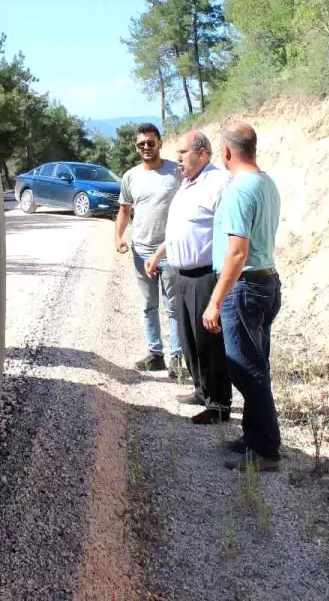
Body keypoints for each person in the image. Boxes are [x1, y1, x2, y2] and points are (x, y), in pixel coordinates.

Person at [203, 122, 283, 471]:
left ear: (226, 152)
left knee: (246, 370)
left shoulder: (239, 189)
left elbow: (237, 252)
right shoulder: (267, 182)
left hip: (245, 287)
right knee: (256, 365)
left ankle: (265, 451)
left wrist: (215, 300)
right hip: (266, 283)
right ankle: (254, 437)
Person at [146, 131, 232, 424]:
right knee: (188, 339)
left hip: (204, 275)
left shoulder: (219, 183)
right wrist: (159, 254)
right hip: (179, 272)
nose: (178, 158)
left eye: (183, 152)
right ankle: (201, 390)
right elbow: (179, 228)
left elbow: (229, 231)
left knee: (209, 342)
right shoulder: (187, 184)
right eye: (178, 153)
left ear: (203, 153)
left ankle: (219, 404)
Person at [115, 123, 183, 374]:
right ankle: (155, 355)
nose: (146, 147)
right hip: (140, 252)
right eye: (141, 144)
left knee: (174, 307)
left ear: (160, 143)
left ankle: (177, 358)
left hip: (171, 252)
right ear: (136, 148)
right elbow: (124, 210)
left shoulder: (176, 172)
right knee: (148, 305)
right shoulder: (130, 176)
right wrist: (118, 237)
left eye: (150, 143)